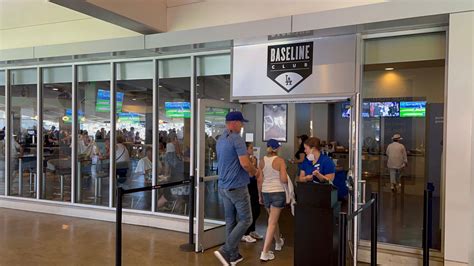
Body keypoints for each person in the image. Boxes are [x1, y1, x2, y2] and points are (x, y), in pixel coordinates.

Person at [214, 111, 257, 266]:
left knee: (230, 221)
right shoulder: (237, 139)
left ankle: (233, 256)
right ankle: (225, 250)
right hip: (237, 186)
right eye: (241, 122)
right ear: (233, 123)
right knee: (246, 219)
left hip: (223, 187)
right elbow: (245, 164)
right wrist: (255, 172)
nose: (242, 125)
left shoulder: (220, 140)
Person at [257, 139, 288, 262]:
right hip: (277, 192)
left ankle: (278, 242)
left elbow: (260, 180)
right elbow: (284, 179)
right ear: (277, 149)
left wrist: (259, 195)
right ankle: (264, 252)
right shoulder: (280, 161)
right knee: (272, 223)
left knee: (272, 220)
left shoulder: (261, 161)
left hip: (265, 193)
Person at [241, 142, 263, 243]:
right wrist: (254, 165)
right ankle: (245, 233)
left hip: (253, 185)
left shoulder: (252, 159)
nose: (252, 149)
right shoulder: (245, 160)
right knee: (250, 209)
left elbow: (257, 173)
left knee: (256, 208)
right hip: (247, 186)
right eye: (250, 147)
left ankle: (252, 230)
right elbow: (250, 173)